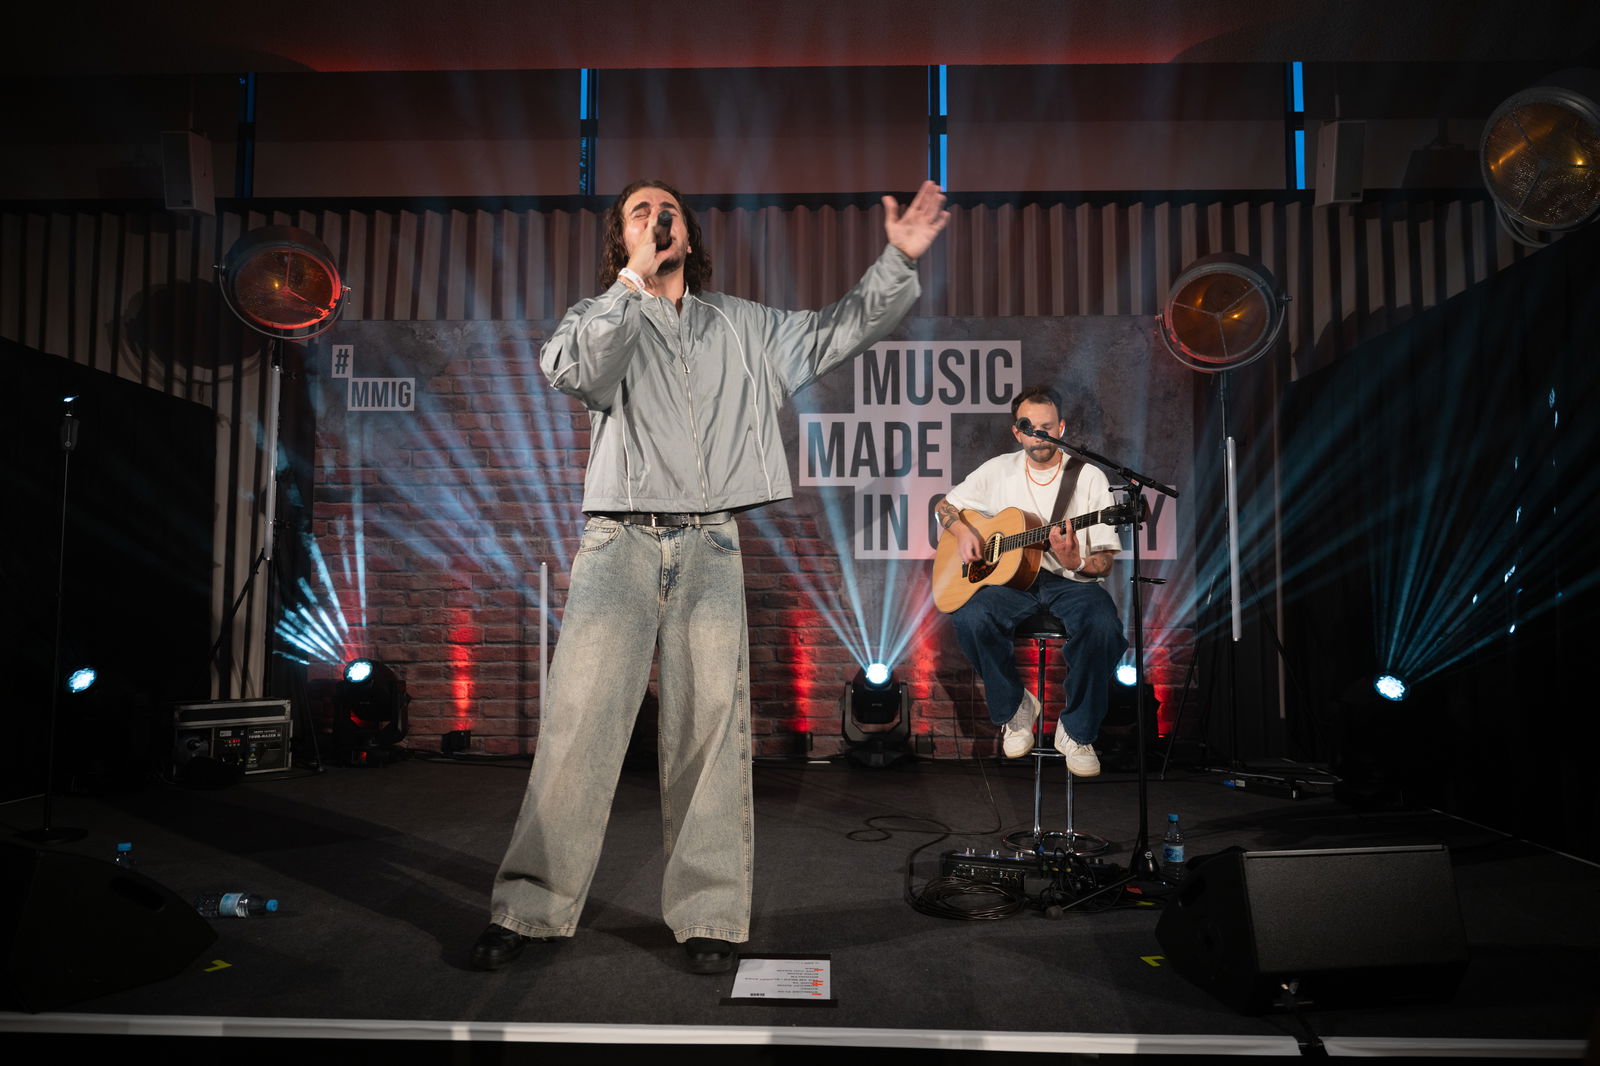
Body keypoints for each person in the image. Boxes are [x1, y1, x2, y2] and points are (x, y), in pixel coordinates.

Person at [471, 178, 949, 975]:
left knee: (710, 737)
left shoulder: (746, 326)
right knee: (579, 732)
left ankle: (710, 918)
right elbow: (576, 371)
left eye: (669, 213)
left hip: (709, 545)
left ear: (690, 235)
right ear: (621, 239)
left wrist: (896, 260)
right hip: (618, 542)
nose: (657, 220)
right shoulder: (598, 316)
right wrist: (629, 280)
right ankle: (528, 910)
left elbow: (840, 332)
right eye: (638, 212)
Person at [934, 384, 1128, 775]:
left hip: (1071, 583)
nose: (1038, 435)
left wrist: (1077, 561)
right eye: (1029, 427)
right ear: (1016, 431)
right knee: (969, 618)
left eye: (1046, 427)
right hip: (1011, 584)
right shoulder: (996, 470)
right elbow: (945, 506)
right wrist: (963, 532)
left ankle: (1077, 730)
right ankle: (1015, 706)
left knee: (1104, 625)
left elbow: (1104, 562)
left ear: (1061, 428)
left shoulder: (1089, 477)